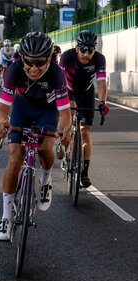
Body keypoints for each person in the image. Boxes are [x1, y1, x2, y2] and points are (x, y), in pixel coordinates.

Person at [0, 32, 71, 241]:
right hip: (22, 109)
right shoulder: (14, 70)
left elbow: (65, 114)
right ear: (22, 58)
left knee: (46, 147)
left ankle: (45, 179)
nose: (34, 68)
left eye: (40, 63)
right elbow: (2, 110)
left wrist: (63, 130)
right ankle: (6, 216)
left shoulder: (56, 74)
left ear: (49, 59)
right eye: (29, 62)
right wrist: (2, 123)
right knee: (14, 159)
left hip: (47, 111)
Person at [59, 30, 109, 186]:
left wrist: (102, 102)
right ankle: (63, 142)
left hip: (87, 93)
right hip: (68, 90)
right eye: (83, 50)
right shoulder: (67, 56)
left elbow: (101, 83)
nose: (86, 54)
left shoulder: (99, 59)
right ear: (76, 47)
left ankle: (85, 173)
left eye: (90, 50)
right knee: (70, 116)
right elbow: (59, 80)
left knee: (85, 131)